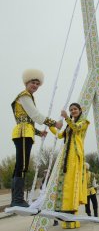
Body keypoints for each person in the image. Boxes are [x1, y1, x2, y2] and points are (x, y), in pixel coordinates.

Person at [11, 69, 63, 208]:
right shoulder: (25, 96)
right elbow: (36, 115)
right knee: (22, 166)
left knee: (20, 166)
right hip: (22, 133)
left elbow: (27, 120)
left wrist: (39, 133)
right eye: (33, 83)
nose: (35, 86)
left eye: (37, 84)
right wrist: (54, 123)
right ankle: (17, 199)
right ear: (27, 82)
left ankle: (16, 199)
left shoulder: (27, 97)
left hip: (24, 132)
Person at [50, 103, 90, 229]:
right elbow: (61, 135)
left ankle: (73, 213)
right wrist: (50, 125)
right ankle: (66, 215)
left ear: (80, 110)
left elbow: (76, 128)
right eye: (71, 110)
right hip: (66, 156)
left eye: (75, 109)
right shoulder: (69, 124)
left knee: (72, 183)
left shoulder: (84, 122)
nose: (73, 111)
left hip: (75, 154)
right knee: (65, 184)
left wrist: (67, 117)